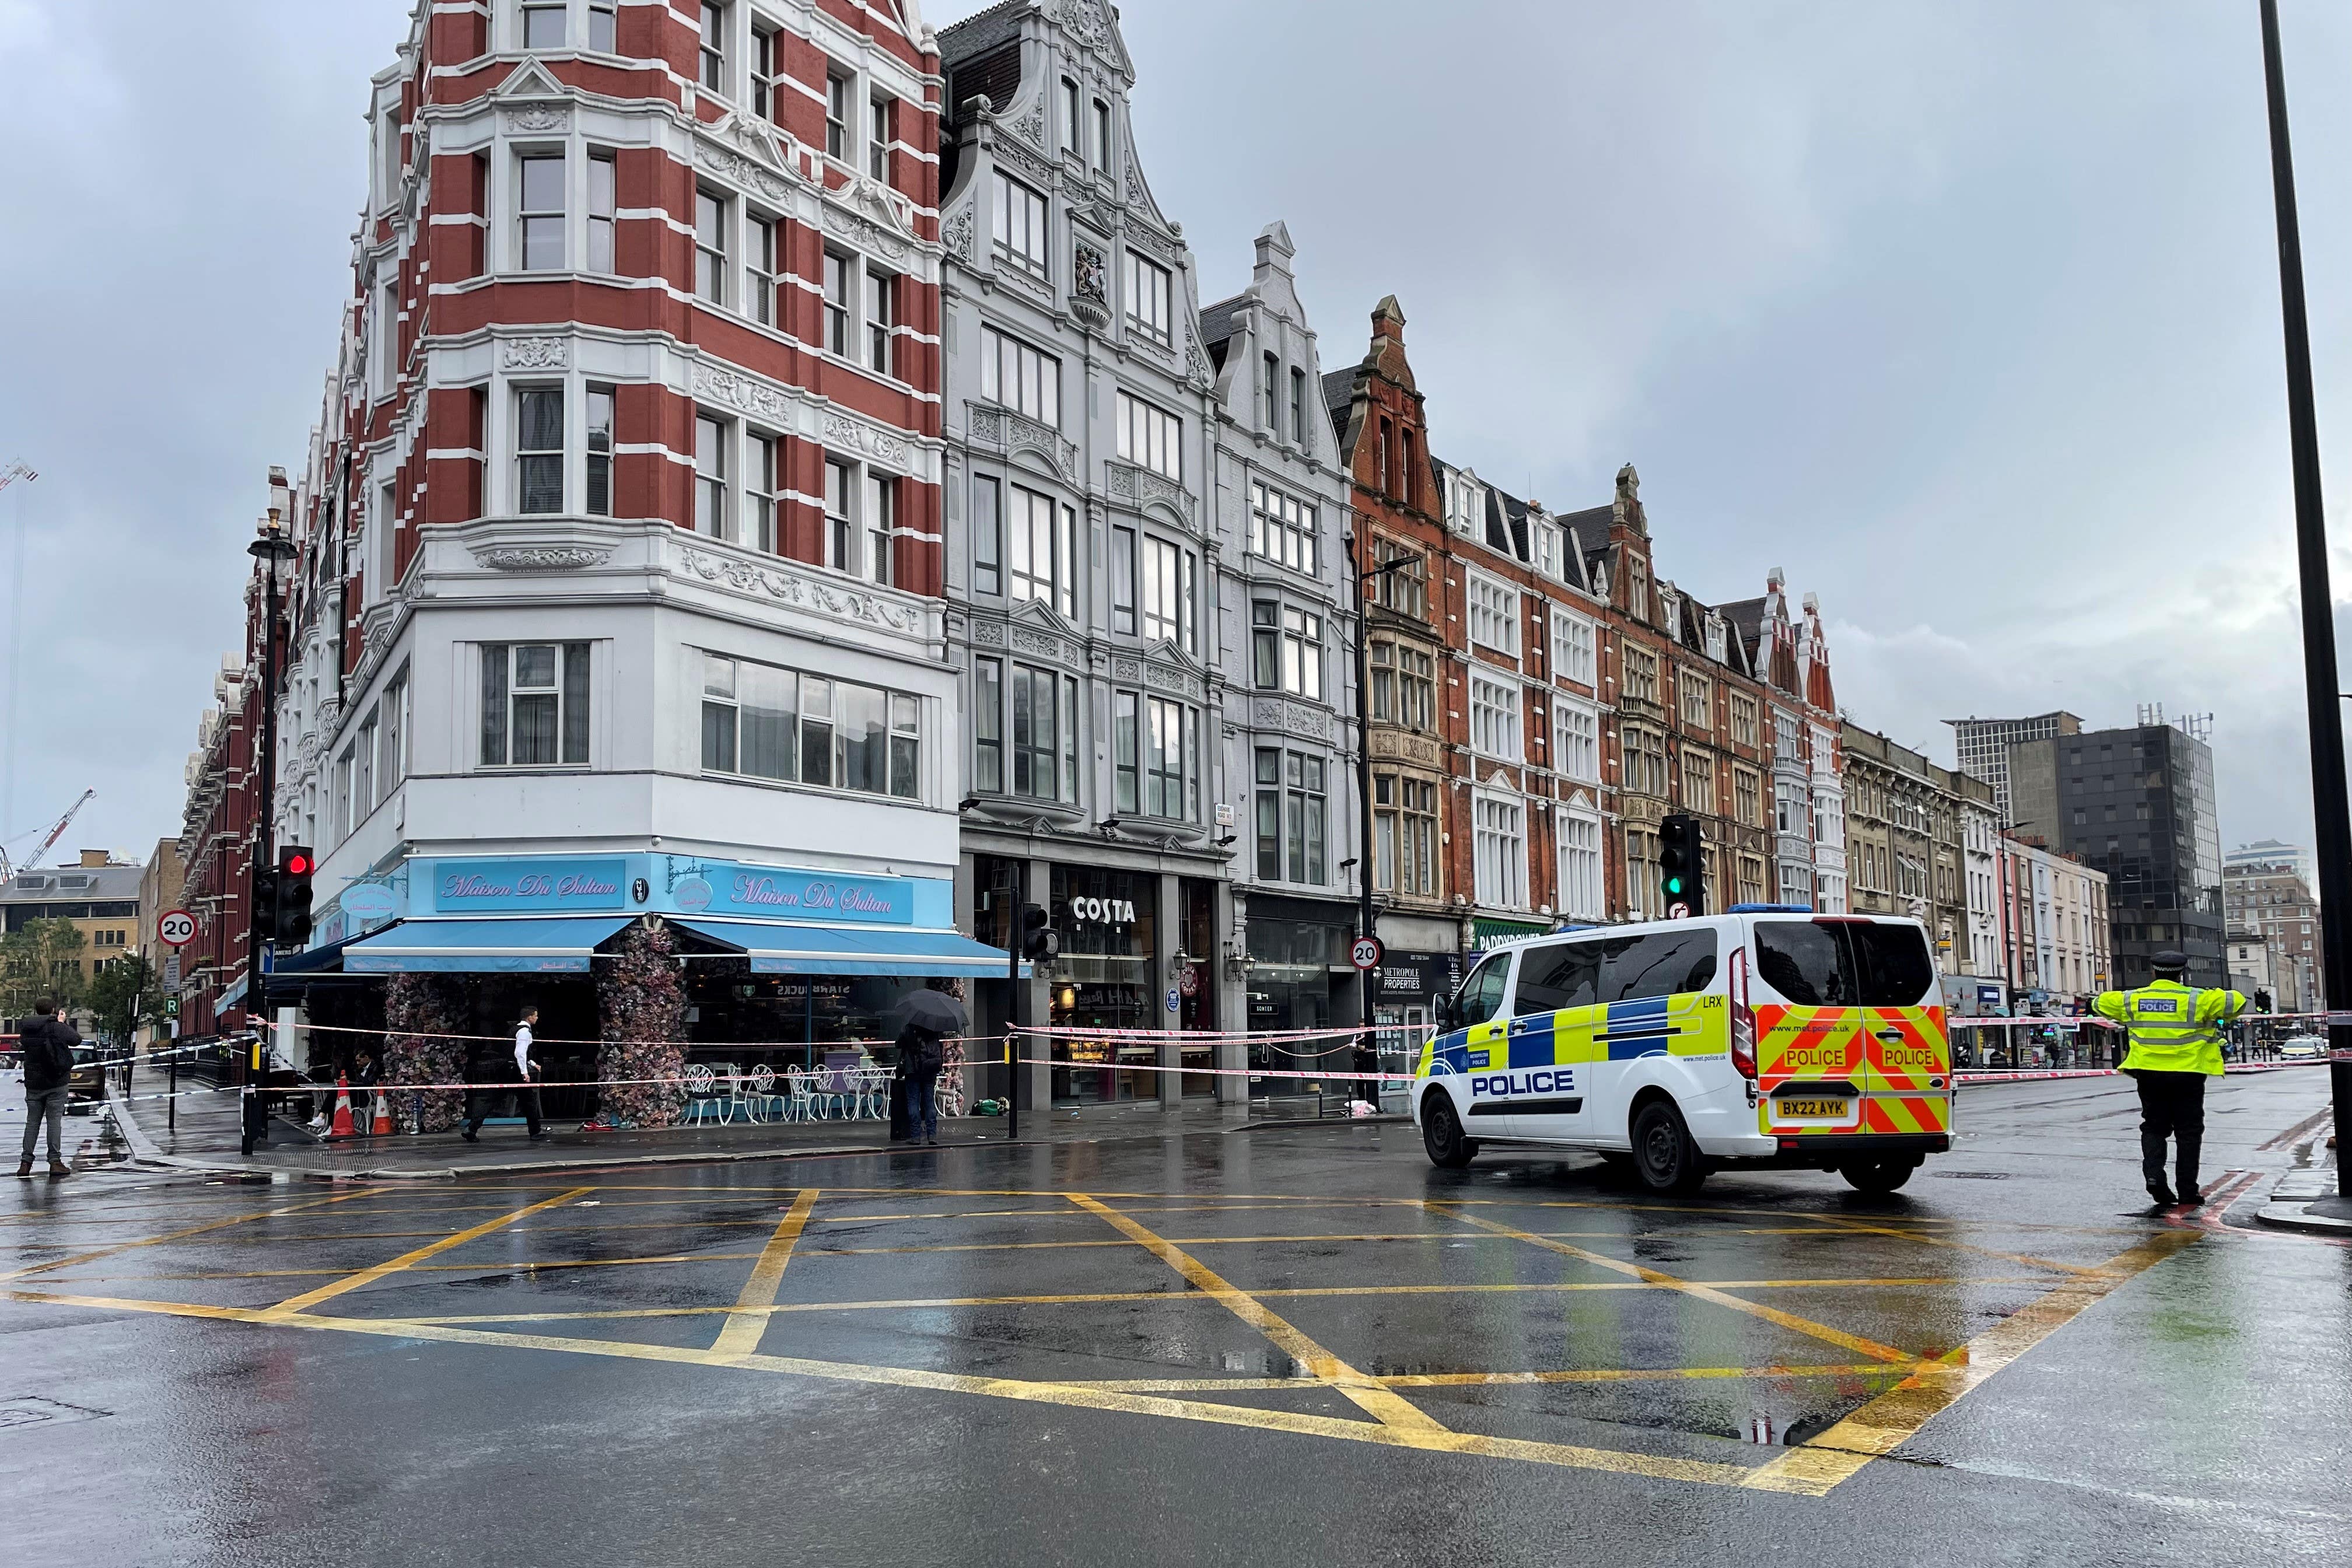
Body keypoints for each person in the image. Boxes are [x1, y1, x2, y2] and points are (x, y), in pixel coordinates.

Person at [2092, 951, 2247, 1209]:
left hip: (2149, 1074)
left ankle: (2154, 1176)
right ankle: (2188, 1190)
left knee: (2154, 1127)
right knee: (2189, 1132)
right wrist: (2210, 993)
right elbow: (2237, 1002)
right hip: (2188, 1074)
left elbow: (2099, 1003)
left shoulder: (2133, 999)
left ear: (2153, 973)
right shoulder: (2199, 999)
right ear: (2181, 973)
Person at [464, 1007, 549, 1143]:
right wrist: (525, 1073)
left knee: (493, 1099)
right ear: (529, 1017)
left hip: (506, 1067)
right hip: (515, 1070)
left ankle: (471, 1128)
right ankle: (535, 1131)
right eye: (535, 1016)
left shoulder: (513, 1029)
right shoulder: (525, 1031)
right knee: (529, 1101)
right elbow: (520, 1053)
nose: (537, 1018)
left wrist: (533, 1064)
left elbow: (516, 1052)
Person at [16, 998, 77, 1179]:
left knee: (32, 1123)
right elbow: (75, 1039)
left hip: (34, 1083)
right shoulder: (56, 1026)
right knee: (54, 1122)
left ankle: (25, 1163)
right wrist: (61, 1023)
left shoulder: (27, 1028)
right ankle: (55, 1162)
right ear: (52, 1009)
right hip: (56, 1081)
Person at [897, 1023, 943, 1147]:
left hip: (912, 1070)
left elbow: (898, 1043)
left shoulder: (909, 1027)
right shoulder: (933, 1027)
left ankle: (915, 1136)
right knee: (929, 1101)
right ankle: (932, 1135)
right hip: (929, 1069)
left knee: (913, 1102)